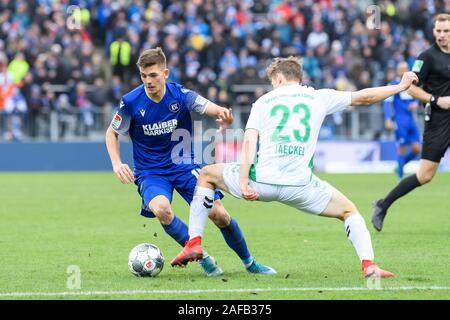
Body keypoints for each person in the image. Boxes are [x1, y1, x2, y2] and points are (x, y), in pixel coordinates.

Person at [171, 56, 419, 278]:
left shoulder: (264, 101)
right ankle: (369, 265)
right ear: (299, 78)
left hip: (262, 183)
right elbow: (364, 97)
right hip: (301, 186)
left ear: (278, 78)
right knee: (349, 211)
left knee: (206, 174)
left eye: (272, 81)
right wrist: (400, 86)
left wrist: (244, 182)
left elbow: (249, 141)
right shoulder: (319, 96)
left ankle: (194, 242)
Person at [105, 47, 275, 277]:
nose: (148, 81)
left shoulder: (181, 95)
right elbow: (111, 133)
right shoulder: (131, 102)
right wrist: (116, 163)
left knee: (219, 214)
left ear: (165, 73)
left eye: (153, 75)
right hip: (151, 172)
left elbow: (208, 107)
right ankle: (202, 256)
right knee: (161, 209)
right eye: (144, 76)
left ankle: (250, 262)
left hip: (184, 165)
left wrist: (222, 113)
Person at [372, 14, 450, 232]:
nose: (442, 35)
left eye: (446, 31)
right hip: (439, 120)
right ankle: (383, 204)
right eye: (439, 31)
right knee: (425, 175)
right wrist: (435, 100)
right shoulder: (427, 57)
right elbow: (410, 87)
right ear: (433, 31)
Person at [383, 62, 421, 179]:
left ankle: (400, 165)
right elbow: (387, 103)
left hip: (411, 121)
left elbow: (419, 98)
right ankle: (400, 176)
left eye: (405, 69)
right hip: (400, 122)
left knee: (417, 149)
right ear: (397, 71)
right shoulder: (393, 84)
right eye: (401, 69)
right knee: (402, 149)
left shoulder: (412, 85)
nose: (403, 71)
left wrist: (416, 103)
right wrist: (388, 118)